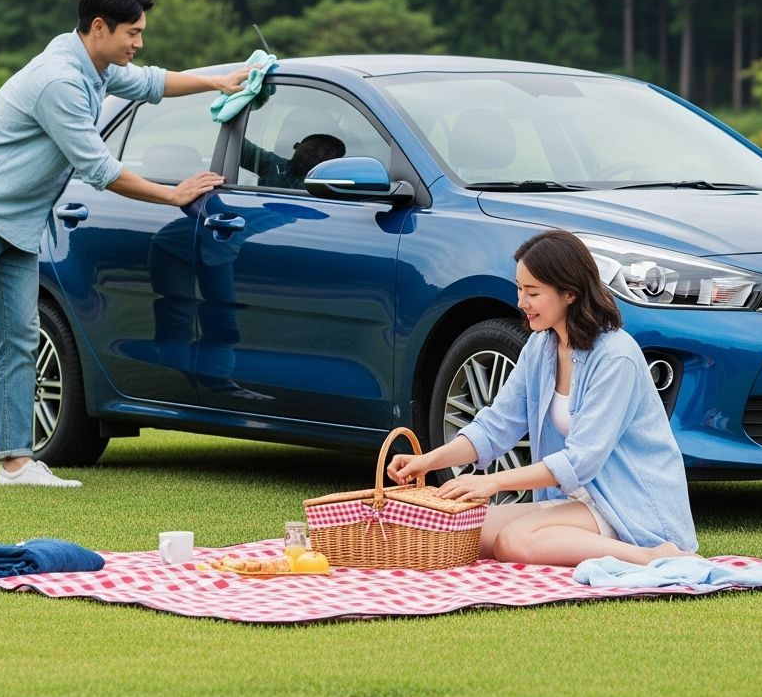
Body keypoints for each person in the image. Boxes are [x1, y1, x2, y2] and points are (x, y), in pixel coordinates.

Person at [0, 0, 250, 489]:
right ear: (99, 27)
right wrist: (173, 194)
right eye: (133, 33)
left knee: (21, 338)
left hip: (19, 221)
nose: (139, 43)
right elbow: (99, 169)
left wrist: (220, 81)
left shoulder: (93, 65)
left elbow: (153, 83)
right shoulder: (61, 81)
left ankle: (15, 462)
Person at [387, 229, 699, 566]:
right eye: (520, 289)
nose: (521, 302)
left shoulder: (615, 357)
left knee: (513, 541)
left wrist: (490, 483)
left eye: (532, 292)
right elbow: (495, 426)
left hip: (627, 504)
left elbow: (581, 461)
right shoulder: (541, 347)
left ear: (569, 293)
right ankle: (570, 542)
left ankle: (653, 556)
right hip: (574, 501)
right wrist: (428, 461)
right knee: (464, 529)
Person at [239, 133, 345, 190]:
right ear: (296, 146)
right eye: (314, 147)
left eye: (328, 153)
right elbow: (238, 145)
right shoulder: (271, 163)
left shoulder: (331, 186)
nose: (319, 154)